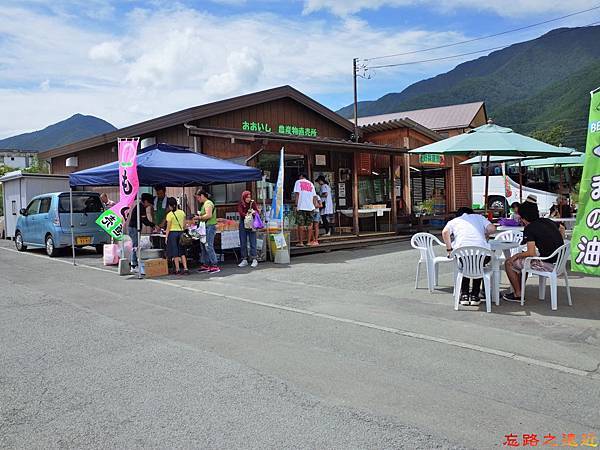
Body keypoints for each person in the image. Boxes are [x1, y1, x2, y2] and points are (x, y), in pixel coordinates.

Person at [503, 201, 565, 302]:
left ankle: (518, 294)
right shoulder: (547, 221)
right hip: (559, 261)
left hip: (548, 263)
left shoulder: (529, 228)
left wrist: (516, 255)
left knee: (509, 263)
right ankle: (520, 290)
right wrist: (558, 243)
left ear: (523, 217)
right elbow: (562, 228)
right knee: (525, 261)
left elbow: (531, 253)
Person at [442, 207, 496, 306]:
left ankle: (464, 295)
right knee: (478, 265)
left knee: (466, 266)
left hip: (463, 255)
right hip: (483, 255)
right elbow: (492, 228)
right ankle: (475, 295)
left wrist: (449, 250)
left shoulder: (455, 221)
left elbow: (445, 232)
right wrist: (485, 234)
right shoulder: (479, 217)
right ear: (472, 213)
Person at [194, 190, 219, 274]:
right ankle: (206, 264)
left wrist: (199, 217)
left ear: (201, 195)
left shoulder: (208, 203)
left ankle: (214, 264)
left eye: (198, 197)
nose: (198, 200)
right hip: (205, 227)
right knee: (203, 245)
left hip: (209, 227)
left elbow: (209, 215)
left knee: (208, 245)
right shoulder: (204, 204)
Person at [128, 193, 155, 273]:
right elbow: (145, 221)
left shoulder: (140, 206)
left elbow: (144, 220)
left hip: (134, 228)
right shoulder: (140, 207)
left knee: (136, 245)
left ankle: (134, 263)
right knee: (135, 246)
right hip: (134, 228)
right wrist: (153, 225)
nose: (149, 205)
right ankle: (134, 265)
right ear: (146, 201)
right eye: (149, 203)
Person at [165, 197, 189, 275]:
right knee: (182, 252)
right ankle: (185, 268)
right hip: (181, 233)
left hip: (173, 234)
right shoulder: (182, 213)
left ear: (171, 206)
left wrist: (166, 237)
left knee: (175, 252)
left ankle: (178, 269)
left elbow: (168, 228)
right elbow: (184, 225)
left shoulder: (169, 215)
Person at [293, 173, 317, 247]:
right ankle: (309, 242)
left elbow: (297, 194)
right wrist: (314, 206)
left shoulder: (298, 182)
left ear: (301, 176)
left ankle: (301, 242)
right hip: (310, 207)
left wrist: (296, 205)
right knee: (310, 224)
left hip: (301, 206)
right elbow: (314, 196)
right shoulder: (311, 184)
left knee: (301, 224)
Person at [237, 190, 259, 268]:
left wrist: (254, 212)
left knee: (253, 241)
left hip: (251, 223)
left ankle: (254, 259)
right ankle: (244, 259)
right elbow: (240, 212)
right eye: (247, 197)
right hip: (243, 223)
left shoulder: (252, 203)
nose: (248, 199)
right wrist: (247, 215)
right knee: (243, 242)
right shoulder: (240, 203)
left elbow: (257, 211)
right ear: (244, 197)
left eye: (249, 197)